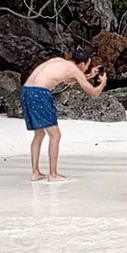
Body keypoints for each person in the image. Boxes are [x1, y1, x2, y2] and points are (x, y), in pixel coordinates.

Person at [21, 50, 107, 182]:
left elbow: (66, 80)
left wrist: (89, 75)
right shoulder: (75, 70)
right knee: (55, 135)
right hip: (40, 93)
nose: (86, 69)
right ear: (82, 64)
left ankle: (35, 172)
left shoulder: (59, 61)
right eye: (87, 66)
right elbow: (94, 93)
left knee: (39, 134)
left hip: (26, 91)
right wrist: (103, 83)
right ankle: (53, 174)